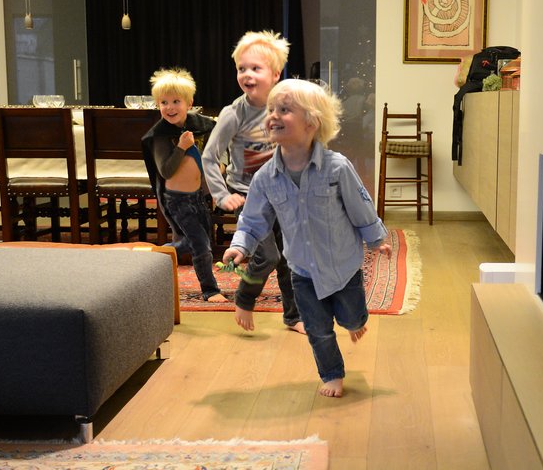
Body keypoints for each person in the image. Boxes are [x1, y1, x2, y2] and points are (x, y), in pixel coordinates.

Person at [222, 79, 391, 398]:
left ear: (312, 122)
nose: (272, 115)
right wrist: (239, 246)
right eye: (271, 109)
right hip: (301, 270)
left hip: (344, 266)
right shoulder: (265, 177)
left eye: (284, 109)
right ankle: (331, 373)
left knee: (352, 317)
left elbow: (360, 206)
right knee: (317, 329)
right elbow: (254, 219)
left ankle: (356, 321)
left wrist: (375, 239)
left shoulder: (337, 168)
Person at [202, 30, 303, 333]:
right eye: (241, 68)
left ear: (274, 74)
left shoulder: (285, 106)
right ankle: (245, 298)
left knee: (290, 256)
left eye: (255, 68)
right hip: (246, 195)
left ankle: (294, 316)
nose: (246, 74)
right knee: (268, 255)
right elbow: (209, 156)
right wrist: (222, 196)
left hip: (282, 195)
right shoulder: (233, 114)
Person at [140, 67, 226, 303]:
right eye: (163, 102)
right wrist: (181, 147)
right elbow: (166, 170)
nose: (169, 107)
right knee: (201, 246)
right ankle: (210, 291)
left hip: (198, 197)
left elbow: (221, 146)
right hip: (176, 200)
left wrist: (222, 165)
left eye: (176, 101)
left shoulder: (204, 125)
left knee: (194, 242)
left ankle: (155, 256)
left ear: (189, 103)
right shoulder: (159, 135)